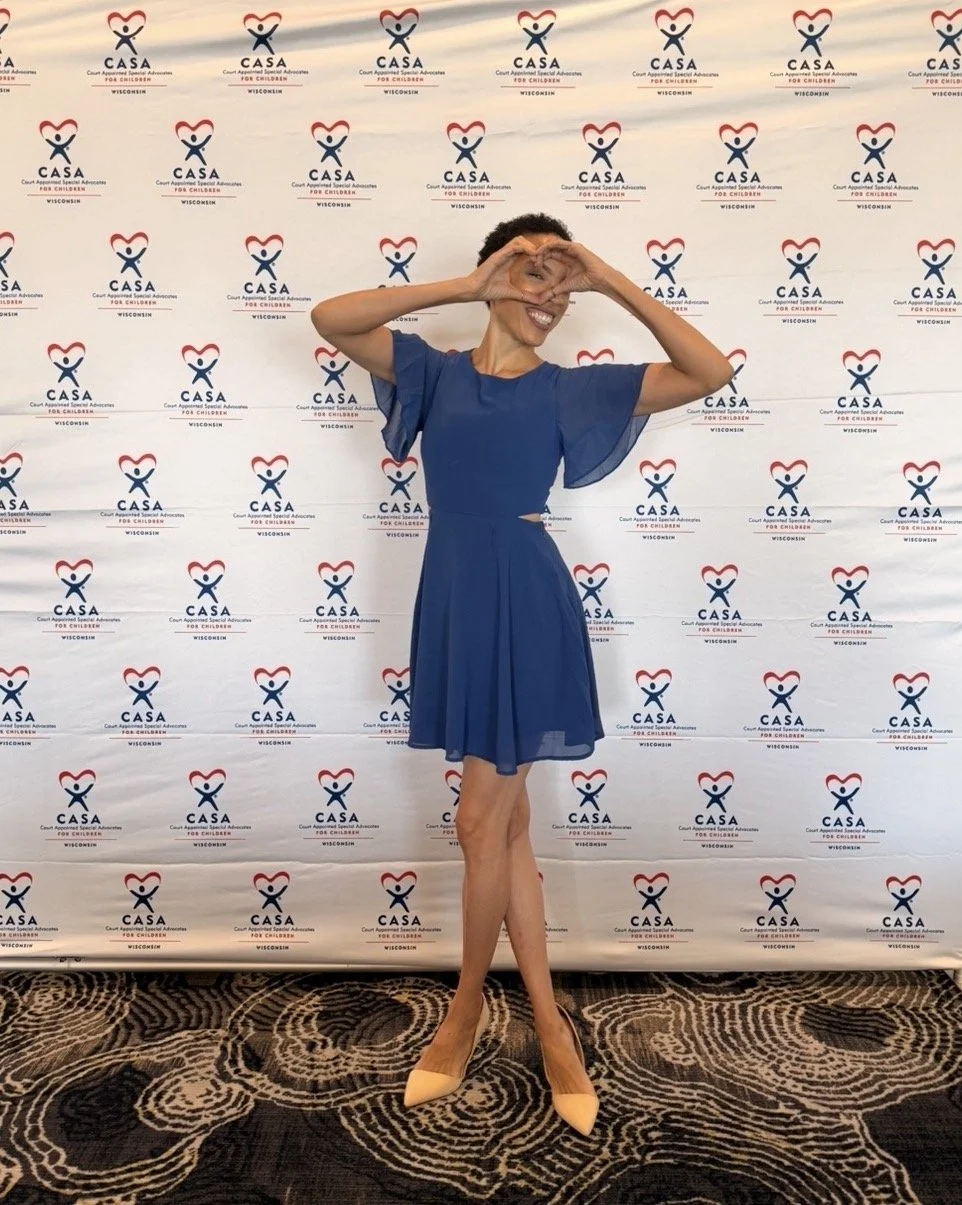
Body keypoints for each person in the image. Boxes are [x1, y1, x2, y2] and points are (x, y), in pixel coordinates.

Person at [310, 213, 732, 1136]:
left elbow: (710, 372)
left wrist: (611, 278)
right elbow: (331, 316)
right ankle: (550, 1027)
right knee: (505, 833)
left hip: (528, 605)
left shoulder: (569, 393)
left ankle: (467, 1011)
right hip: (456, 606)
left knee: (476, 819)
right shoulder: (432, 369)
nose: (547, 292)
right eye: (528, 271)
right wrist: (470, 287)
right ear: (493, 273)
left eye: (559, 279)